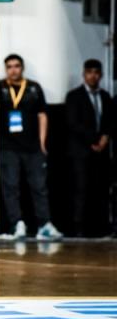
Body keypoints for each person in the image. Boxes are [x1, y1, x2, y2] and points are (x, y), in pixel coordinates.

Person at [0, 54, 63, 240]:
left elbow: (42, 115)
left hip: (33, 147)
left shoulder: (34, 88)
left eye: (17, 66)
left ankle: (44, 224)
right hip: (8, 147)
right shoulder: (1, 86)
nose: (13, 69)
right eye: (9, 66)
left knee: (39, 186)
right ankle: (17, 223)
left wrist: (42, 142)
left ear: (22, 68)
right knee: (11, 186)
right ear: (6, 69)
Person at [65, 59, 112, 237]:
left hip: (101, 150)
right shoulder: (74, 96)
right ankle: (79, 227)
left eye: (96, 72)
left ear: (101, 75)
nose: (93, 76)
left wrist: (104, 138)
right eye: (89, 72)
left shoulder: (105, 97)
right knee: (81, 189)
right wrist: (93, 139)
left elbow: (109, 121)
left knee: (99, 189)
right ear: (84, 74)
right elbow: (73, 123)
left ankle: (99, 226)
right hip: (81, 151)